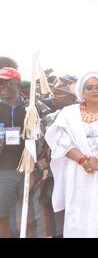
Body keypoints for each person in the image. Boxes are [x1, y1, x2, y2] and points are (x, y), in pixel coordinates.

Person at [44, 72, 98, 237]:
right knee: (78, 210)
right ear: (82, 92)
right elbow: (59, 140)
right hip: (78, 170)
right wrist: (84, 160)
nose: (94, 90)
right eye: (89, 87)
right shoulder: (69, 113)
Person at [9, 75, 78, 238]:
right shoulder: (49, 118)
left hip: (77, 171)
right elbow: (40, 145)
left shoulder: (84, 118)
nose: (53, 98)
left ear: (71, 97)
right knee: (54, 213)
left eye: (57, 95)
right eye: (53, 94)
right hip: (52, 174)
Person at [0, 68, 29, 238]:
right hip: (4, 169)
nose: (1, 86)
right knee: (2, 214)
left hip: (29, 169)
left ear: (17, 83)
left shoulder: (32, 107)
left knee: (29, 214)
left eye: (5, 82)